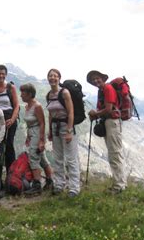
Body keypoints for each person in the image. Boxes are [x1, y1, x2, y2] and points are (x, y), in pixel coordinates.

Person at [87, 70, 127, 193]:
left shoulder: (108, 89)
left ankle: (118, 186)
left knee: (115, 154)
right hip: (110, 122)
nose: (95, 81)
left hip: (112, 122)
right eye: (93, 80)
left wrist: (95, 114)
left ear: (102, 78)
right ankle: (120, 183)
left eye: (97, 78)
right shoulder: (103, 90)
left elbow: (109, 109)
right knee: (115, 153)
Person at [46, 69, 80, 197]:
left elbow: (70, 112)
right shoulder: (49, 94)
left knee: (71, 159)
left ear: (59, 78)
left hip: (66, 126)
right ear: (48, 78)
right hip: (55, 127)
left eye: (55, 76)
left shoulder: (64, 92)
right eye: (50, 76)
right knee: (58, 158)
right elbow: (50, 114)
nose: (52, 78)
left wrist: (69, 131)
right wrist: (50, 130)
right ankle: (59, 184)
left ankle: (74, 188)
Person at [20, 83, 53, 195]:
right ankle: (50, 180)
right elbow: (30, 123)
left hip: (37, 133)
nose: (21, 95)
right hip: (32, 133)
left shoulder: (37, 106)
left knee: (33, 157)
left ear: (29, 94)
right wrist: (28, 136)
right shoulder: (27, 106)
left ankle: (37, 184)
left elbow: (42, 123)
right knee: (42, 158)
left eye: (23, 93)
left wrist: (41, 140)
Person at [0, 65, 20, 172]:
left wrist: (12, 119)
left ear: (6, 75)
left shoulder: (11, 88)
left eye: (3, 73)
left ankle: (11, 174)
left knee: (9, 145)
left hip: (9, 119)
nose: (1, 75)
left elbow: (16, 106)